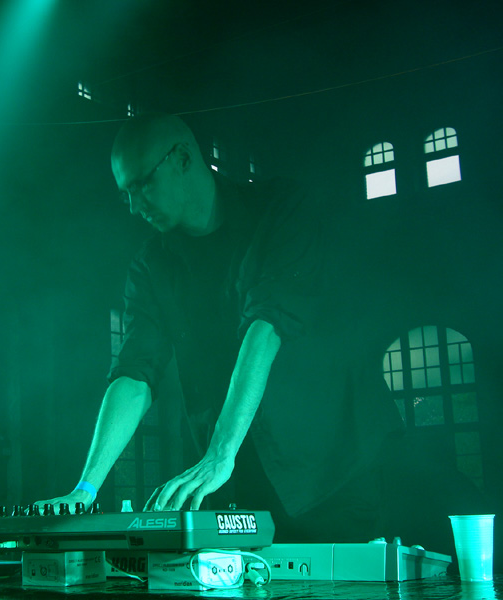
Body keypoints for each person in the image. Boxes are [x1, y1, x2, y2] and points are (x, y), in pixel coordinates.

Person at [35, 113, 418, 543]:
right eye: (125, 193)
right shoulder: (150, 266)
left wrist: (220, 453)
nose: (133, 205)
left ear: (182, 158)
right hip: (245, 473)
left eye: (142, 184)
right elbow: (135, 372)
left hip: (337, 466)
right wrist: (85, 489)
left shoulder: (281, 208)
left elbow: (266, 327)